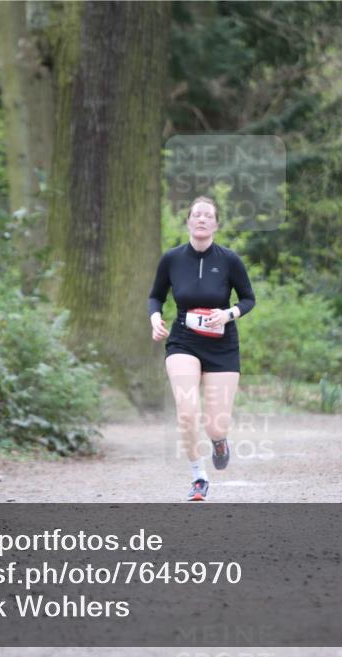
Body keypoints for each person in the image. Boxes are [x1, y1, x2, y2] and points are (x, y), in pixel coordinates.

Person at [148, 196, 255, 501]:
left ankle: (219, 442)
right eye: (197, 214)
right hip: (184, 340)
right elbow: (155, 296)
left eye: (208, 215)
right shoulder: (172, 259)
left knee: (216, 425)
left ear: (216, 224)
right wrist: (156, 319)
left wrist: (228, 314)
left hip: (222, 345)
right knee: (186, 410)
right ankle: (198, 476)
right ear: (188, 222)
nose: (202, 219)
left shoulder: (229, 260)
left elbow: (248, 298)